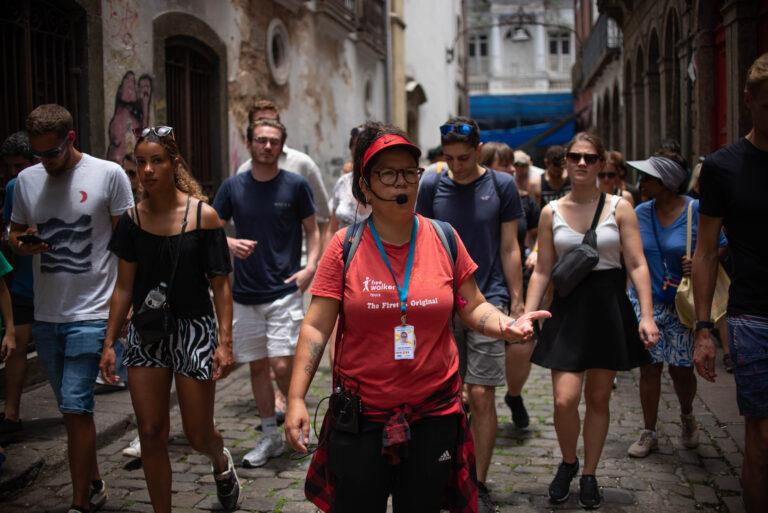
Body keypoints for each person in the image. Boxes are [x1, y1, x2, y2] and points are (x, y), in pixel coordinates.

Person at [284, 121, 550, 513]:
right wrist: (295, 398)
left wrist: (505, 326)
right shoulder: (345, 246)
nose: (402, 183)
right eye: (388, 174)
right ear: (365, 186)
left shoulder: (444, 238)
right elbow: (316, 325)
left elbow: (473, 304)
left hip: (434, 413)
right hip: (362, 416)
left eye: (409, 172)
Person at [98, 126, 240, 512]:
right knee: (150, 432)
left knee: (197, 433)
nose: (147, 170)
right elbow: (123, 287)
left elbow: (221, 286)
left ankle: (219, 460)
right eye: (141, 162)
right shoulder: (131, 220)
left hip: (194, 329)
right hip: (146, 330)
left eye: (156, 161)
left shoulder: (203, 216)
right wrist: (109, 343)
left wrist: (225, 343)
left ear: (174, 164)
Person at [10, 104, 134, 513]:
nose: (46, 161)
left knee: (76, 406)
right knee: (71, 412)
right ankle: (94, 483)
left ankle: (80, 503)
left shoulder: (108, 175)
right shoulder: (26, 181)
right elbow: (13, 234)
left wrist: (125, 309)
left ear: (71, 139)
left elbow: (128, 247)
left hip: (93, 312)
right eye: (38, 154)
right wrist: (21, 243)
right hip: (46, 316)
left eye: (53, 152)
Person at [525, 132, 658, 509]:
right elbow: (542, 270)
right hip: (568, 309)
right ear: (565, 161)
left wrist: (647, 315)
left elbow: (636, 263)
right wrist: (528, 316)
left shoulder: (620, 207)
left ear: (601, 164)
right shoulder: (551, 211)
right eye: (574, 156)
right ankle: (569, 462)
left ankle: (589, 474)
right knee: (564, 400)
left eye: (589, 157)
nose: (581, 163)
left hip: (608, 306)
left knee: (599, 398)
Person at [416, 117, 525, 513]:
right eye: (449, 158)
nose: (456, 166)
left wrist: (517, 300)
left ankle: (476, 482)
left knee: (481, 392)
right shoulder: (431, 184)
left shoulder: (501, 185)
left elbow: (509, 246)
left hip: (487, 298)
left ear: (479, 151)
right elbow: (419, 239)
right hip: (438, 302)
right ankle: (442, 474)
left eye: (463, 158)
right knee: (442, 396)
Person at [213, 117, 319, 468]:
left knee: (282, 364)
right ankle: (269, 435)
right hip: (245, 293)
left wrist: (310, 267)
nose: (267, 146)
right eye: (261, 140)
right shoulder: (232, 186)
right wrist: (229, 243)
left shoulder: (296, 185)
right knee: (258, 366)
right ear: (249, 145)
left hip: (284, 289)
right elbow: (211, 230)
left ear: (281, 146)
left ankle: (297, 420)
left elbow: (313, 230)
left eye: (274, 141)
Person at [693, 53, 768, 513]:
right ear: (748, 101)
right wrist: (704, 328)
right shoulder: (724, 167)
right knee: (760, 440)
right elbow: (705, 251)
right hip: (753, 316)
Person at [624, 152, 726, 458]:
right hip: (648, 303)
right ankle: (649, 432)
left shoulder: (695, 210)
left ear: (667, 182)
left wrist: (697, 264)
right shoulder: (639, 212)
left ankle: (686, 415)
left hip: (682, 304)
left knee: (681, 371)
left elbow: (720, 246)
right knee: (649, 368)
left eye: (648, 178)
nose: (641, 183)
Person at [236, 99, 330, 231]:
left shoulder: (303, 165)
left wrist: (313, 243)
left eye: (271, 122)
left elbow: (322, 216)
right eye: (259, 122)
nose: (266, 127)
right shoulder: (243, 172)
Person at [0, 132, 35, 439]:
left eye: (19, 165)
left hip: (59, 285)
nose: (14, 173)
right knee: (17, 344)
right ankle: (11, 414)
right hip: (25, 281)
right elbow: (10, 232)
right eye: (10, 167)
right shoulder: (15, 187)